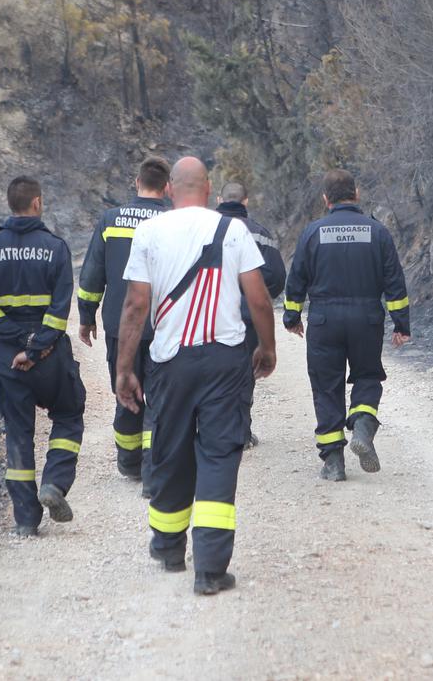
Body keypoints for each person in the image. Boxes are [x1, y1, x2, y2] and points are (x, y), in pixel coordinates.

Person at [115, 157, 277, 596]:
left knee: (170, 449)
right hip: (225, 362)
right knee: (220, 453)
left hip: (170, 363)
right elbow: (259, 300)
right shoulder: (233, 230)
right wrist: (267, 347)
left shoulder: (149, 232)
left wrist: (125, 369)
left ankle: (168, 548)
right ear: (207, 189)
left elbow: (135, 307)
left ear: (170, 189)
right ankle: (209, 569)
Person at [0, 176, 85, 536]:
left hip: (10, 359)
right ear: (36, 203)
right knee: (67, 416)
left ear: (11, 204)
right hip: (50, 357)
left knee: (19, 434)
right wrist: (37, 346)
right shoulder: (56, 248)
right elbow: (60, 307)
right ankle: (54, 483)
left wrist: (18, 342)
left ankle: (25, 521)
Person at [283, 169, 410, 482]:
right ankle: (364, 426)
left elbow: (296, 278)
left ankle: (334, 462)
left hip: (325, 321)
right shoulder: (377, 232)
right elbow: (394, 281)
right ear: (357, 195)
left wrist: (291, 316)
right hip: (366, 319)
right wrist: (401, 324)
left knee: (327, 386)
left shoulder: (313, 232)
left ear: (326, 199)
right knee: (367, 375)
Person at [76, 157, 171, 492]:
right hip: (164, 327)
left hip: (120, 327)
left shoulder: (110, 220)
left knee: (126, 390)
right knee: (158, 398)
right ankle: (152, 468)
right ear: (167, 187)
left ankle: (130, 462)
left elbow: (91, 276)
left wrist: (86, 317)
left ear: (136, 182)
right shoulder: (173, 222)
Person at [215, 181, 286, 449]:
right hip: (247, 318)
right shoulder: (259, 233)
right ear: (245, 202)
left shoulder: (203, 228)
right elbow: (277, 276)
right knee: (244, 375)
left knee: (213, 373)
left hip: (209, 315)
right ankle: (242, 434)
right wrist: (257, 296)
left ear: (220, 198)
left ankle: (211, 431)